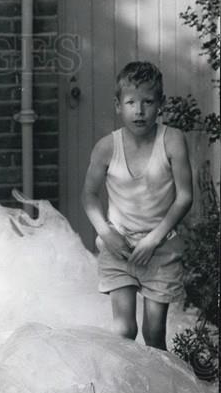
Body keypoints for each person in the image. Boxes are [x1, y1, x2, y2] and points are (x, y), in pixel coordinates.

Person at [81, 60, 193, 350]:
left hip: (160, 247)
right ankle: (124, 389)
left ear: (161, 104)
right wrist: (106, 234)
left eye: (148, 101)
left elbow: (184, 197)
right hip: (119, 247)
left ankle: (158, 392)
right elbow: (90, 195)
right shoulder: (107, 146)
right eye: (131, 102)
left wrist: (153, 240)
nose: (139, 110)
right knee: (124, 331)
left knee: (154, 334)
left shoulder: (172, 141)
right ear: (118, 105)